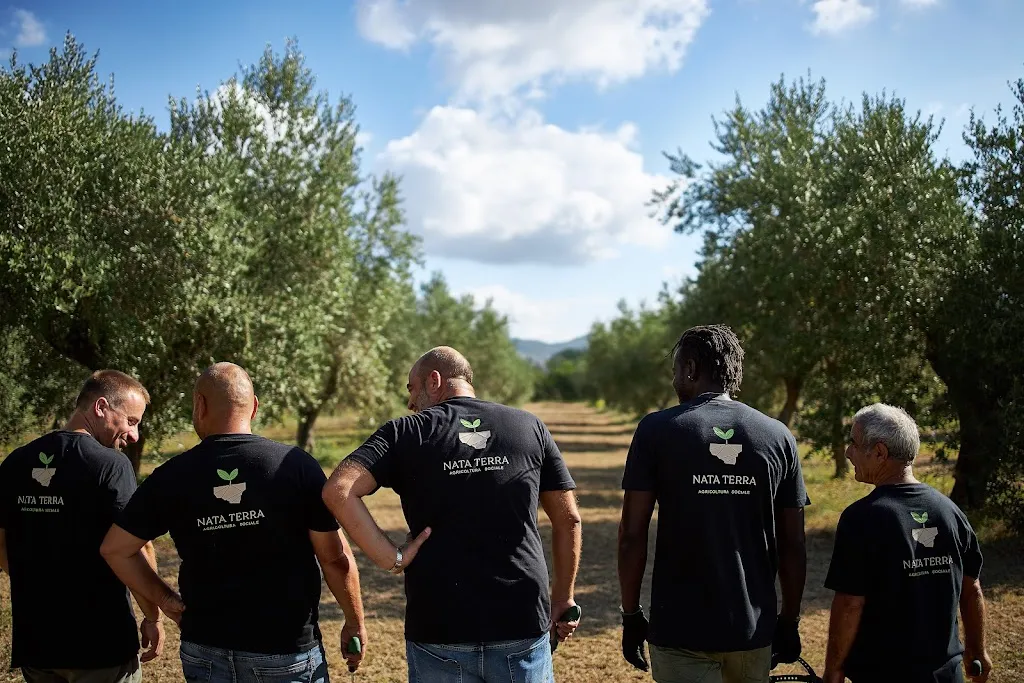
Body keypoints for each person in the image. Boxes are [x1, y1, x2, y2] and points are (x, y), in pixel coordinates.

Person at [322, 346, 582, 683]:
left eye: (411, 388)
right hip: (520, 620)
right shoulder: (529, 426)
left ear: (434, 380)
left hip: (438, 627)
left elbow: (339, 490)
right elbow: (569, 519)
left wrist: (392, 558)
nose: (410, 402)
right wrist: (563, 596)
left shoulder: (405, 433)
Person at [100, 362, 365, 683]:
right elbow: (334, 559)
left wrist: (167, 603)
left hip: (204, 650)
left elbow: (116, 549)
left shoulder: (171, 476)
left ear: (199, 404)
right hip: (284, 653)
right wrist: (354, 622)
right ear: (254, 407)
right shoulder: (295, 466)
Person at [617, 324, 809, 683]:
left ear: (690, 368)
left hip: (680, 632)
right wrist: (789, 620)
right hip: (753, 634)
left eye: (676, 369)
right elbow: (794, 544)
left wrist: (630, 616)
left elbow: (631, 535)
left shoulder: (657, 431)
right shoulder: (778, 435)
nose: (675, 380)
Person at [0, 369, 163, 683]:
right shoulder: (110, 466)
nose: (135, 436)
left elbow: (1, 545)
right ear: (100, 408)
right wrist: (153, 616)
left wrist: (40, 580)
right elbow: (136, 547)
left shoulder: (16, 462)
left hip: (38, 647)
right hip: (102, 646)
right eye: (131, 421)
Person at [823, 403, 991, 683]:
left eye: (853, 442)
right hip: (947, 674)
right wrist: (977, 648)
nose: (848, 452)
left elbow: (850, 604)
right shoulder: (949, 511)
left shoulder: (860, 519)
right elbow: (971, 588)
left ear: (879, 452)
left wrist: (833, 670)